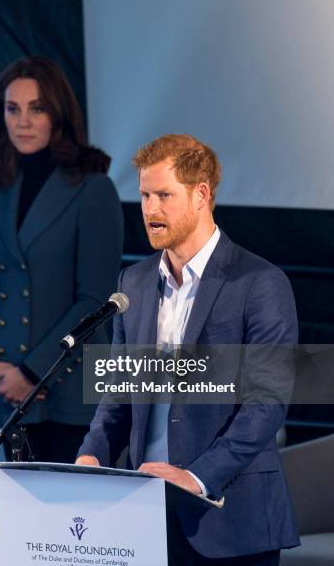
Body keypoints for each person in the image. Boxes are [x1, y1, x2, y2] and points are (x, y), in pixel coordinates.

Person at [76, 134, 299, 564]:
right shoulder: (133, 284)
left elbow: (266, 405)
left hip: (231, 519)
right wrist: (93, 454)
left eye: (163, 195)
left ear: (201, 195)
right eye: (143, 195)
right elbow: (119, 394)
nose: (150, 209)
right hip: (146, 518)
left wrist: (195, 478)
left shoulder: (259, 283)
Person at [0, 55, 124, 463]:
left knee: (80, 526)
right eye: (12, 109)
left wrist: (33, 372)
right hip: (13, 398)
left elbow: (95, 301)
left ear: (57, 113)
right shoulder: (1, 188)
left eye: (36, 108)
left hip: (75, 400)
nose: (22, 121)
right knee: (24, 527)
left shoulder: (94, 190)